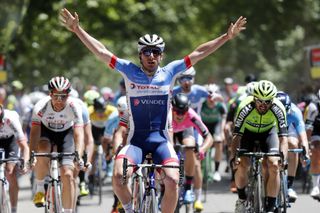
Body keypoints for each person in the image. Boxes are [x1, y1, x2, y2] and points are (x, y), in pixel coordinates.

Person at [60, 8, 246, 213]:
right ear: (140, 55)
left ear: (161, 55)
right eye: (146, 52)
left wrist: (226, 37)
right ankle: (131, 209)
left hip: (161, 141)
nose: (151, 56)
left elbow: (199, 52)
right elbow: (101, 52)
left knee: (174, 180)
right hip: (136, 141)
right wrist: (78, 30)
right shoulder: (128, 70)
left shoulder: (171, 71)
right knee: (117, 177)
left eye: (156, 52)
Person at [231, 80, 288, 213]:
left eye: (267, 101)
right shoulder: (244, 107)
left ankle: (270, 207)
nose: (263, 105)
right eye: (260, 101)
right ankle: (241, 199)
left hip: (269, 133)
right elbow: (236, 136)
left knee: (274, 165)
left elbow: (283, 138)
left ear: (272, 100)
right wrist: (233, 157)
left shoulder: (278, 108)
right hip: (247, 134)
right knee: (242, 164)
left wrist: (283, 158)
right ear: (254, 98)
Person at [30, 76, 85, 213]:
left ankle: (68, 211)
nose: (59, 100)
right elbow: (34, 133)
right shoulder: (40, 107)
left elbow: (79, 134)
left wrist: (79, 156)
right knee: (42, 150)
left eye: (63, 96)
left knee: (67, 174)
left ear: (68, 95)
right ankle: (40, 187)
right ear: (50, 94)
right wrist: (32, 155)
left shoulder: (74, 107)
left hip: (66, 134)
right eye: (56, 96)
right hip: (46, 132)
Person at [172, 93, 214, 211]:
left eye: (183, 112)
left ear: (187, 110)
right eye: (177, 111)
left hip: (185, 131)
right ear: (172, 109)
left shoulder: (192, 115)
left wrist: (202, 149)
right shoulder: (167, 113)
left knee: (190, 147)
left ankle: (188, 188)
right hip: (169, 131)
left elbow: (209, 137)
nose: (180, 115)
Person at [0, 104, 29, 213]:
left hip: (11, 141)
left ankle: (13, 209)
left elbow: (24, 147)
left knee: (10, 172)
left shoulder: (10, 119)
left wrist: (25, 163)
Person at [201, 84, 227, 183]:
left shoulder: (220, 105)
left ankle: (216, 170)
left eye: (213, 97)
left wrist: (222, 132)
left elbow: (224, 117)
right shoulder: (202, 104)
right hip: (204, 126)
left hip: (215, 125)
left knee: (219, 141)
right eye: (209, 96)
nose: (211, 100)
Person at [304, 89, 320, 201]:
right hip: (316, 131)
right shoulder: (313, 107)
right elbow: (308, 129)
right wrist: (308, 145)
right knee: (316, 151)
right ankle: (315, 187)